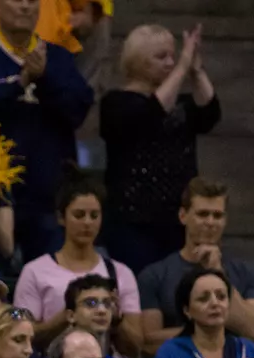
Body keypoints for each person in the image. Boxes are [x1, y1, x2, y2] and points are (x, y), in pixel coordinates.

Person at [0, 0, 91, 262]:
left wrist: (44, 78)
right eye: (17, 0)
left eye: (32, 1)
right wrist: (17, 84)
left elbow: (77, 110)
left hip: (48, 197)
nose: (25, 7)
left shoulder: (58, 57)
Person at [101, 24, 220, 272]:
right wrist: (182, 66)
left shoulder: (180, 104)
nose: (170, 63)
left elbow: (210, 113)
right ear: (138, 62)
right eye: (161, 57)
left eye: (173, 55)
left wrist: (196, 71)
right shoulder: (116, 103)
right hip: (133, 221)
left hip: (178, 219)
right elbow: (150, 113)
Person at [139, 178, 254, 351]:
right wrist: (206, 329)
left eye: (217, 215)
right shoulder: (155, 275)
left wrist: (217, 271)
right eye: (202, 214)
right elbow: (148, 342)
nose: (210, 222)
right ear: (183, 216)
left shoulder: (248, 273)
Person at [14, 180, 138, 351]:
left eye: (94, 215)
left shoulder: (120, 273)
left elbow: (136, 346)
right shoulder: (34, 271)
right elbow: (20, 335)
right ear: (61, 217)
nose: (87, 223)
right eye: (79, 215)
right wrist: (70, 313)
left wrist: (117, 319)